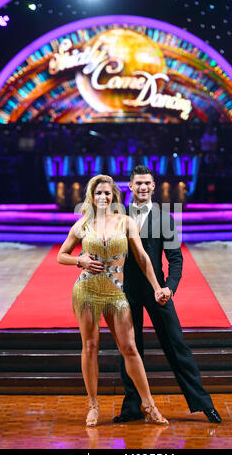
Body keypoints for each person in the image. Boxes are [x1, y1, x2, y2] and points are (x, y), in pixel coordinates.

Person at [80, 165, 221, 424]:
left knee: (177, 346)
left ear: (153, 187)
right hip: (123, 292)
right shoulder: (116, 216)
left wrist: (169, 287)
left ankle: (203, 403)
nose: (143, 187)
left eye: (148, 183)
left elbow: (175, 259)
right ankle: (133, 407)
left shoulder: (165, 218)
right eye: (138, 184)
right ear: (130, 187)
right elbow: (94, 241)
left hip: (158, 291)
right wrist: (82, 259)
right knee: (130, 350)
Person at [57, 174, 171, 427]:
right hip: (87, 290)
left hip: (116, 291)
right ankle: (93, 406)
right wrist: (80, 260)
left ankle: (149, 405)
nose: (103, 197)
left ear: (114, 196)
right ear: (91, 195)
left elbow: (142, 258)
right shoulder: (82, 225)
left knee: (129, 347)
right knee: (90, 347)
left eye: (108, 193)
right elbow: (61, 255)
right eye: (98, 193)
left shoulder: (125, 222)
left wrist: (157, 287)